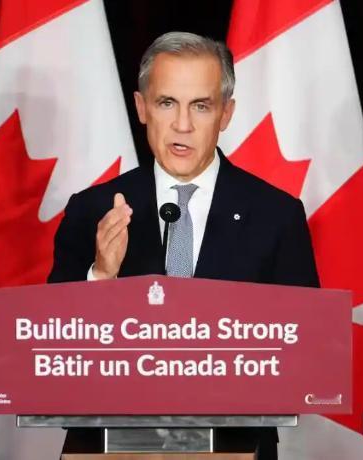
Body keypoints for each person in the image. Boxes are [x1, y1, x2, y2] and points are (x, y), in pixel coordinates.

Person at [48, 31, 319, 460]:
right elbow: (48, 359)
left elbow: (306, 355)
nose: (183, 125)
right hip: (115, 447)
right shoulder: (92, 210)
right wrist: (101, 277)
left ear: (226, 114)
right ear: (142, 107)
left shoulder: (276, 215)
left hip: (233, 447)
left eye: (201, 106)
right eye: (167, 103)